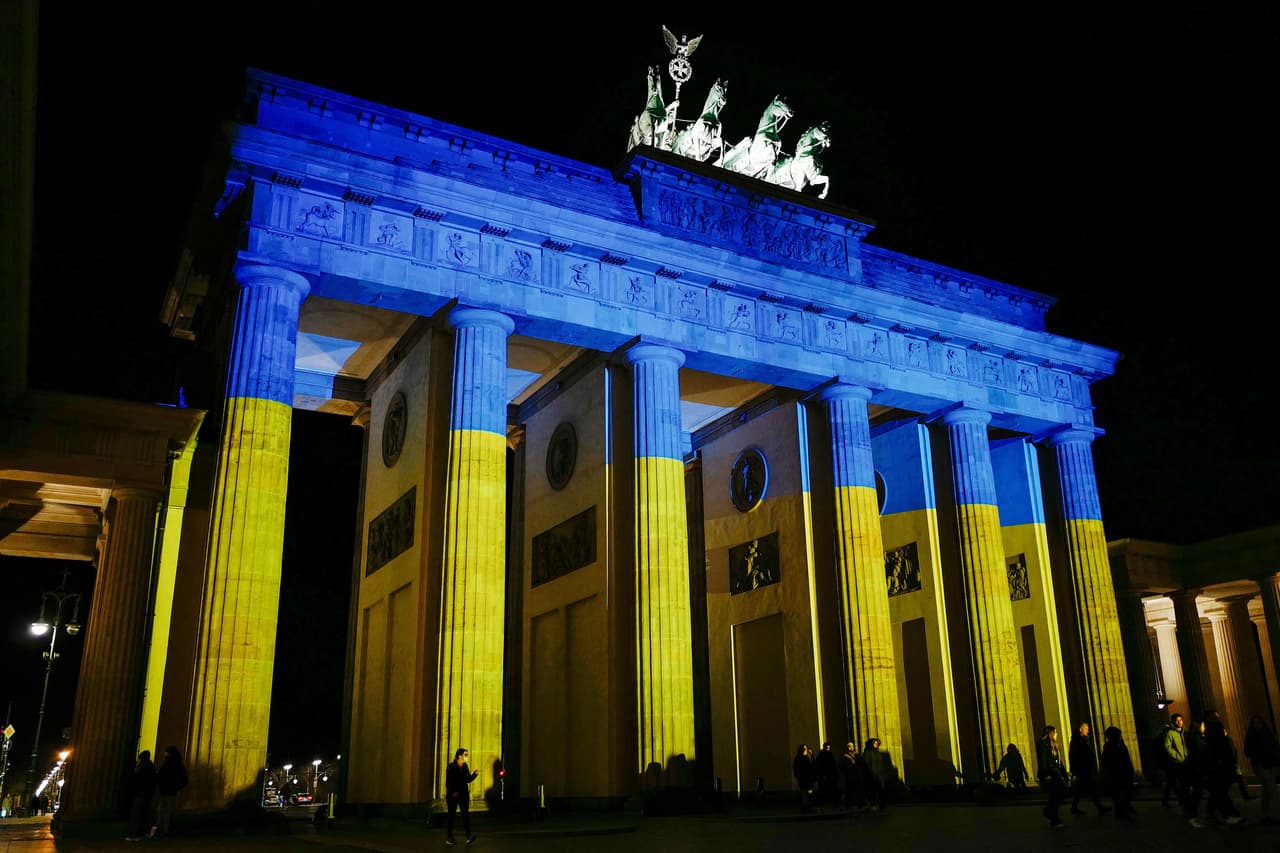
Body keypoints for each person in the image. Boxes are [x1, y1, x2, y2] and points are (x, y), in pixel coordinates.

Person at [1201, 718, 1244, 824]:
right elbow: (1226, 756)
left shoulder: (1211, 742)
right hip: (1219, 771)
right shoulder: (1219, 741)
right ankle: (1229, 815)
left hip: (1218, 772)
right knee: (1221, 794)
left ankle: (1225, 814)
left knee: (1219, 794)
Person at [1243, 713, 1280, 824]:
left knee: (1268, 789)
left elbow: (1274, 747)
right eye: (1255, 723)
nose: (1257, 724)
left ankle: (1265, 814)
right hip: (1261, 765)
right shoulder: (1252, 736)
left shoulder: (1267, 733)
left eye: (1259, 722)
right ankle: (1268, 813)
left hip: (1270, 764)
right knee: (1271, 788)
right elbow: (1249, 751)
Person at [1068, 722, 1110, 815]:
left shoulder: (1083, 740)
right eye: (1086, 728)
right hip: (1082, 769)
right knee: (1090, 788)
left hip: (1085, 768)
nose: (1088, 730)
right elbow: (1073, 756)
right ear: (1080, 730)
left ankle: (1075, 807)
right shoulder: (1076, 741)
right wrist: (1074, 769)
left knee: (1081, 789)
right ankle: (1098, 806)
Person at [149, 745, 188, 839]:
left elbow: (161, 776)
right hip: (171, 791)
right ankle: (164, 830)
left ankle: (161, 830)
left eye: (166, 752)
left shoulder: (167, 763)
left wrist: (158, 780)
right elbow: (183, 779)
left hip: (165, 790)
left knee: (162, 811)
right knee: (166, 811)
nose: (164, 753)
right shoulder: (178, 764)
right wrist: (177, 787)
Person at [1036, 725, 1069, 828]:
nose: (1057, 734)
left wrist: (1065, 774)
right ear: (1050, 733)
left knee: (1057, 796)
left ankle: (1048, 812)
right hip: (1051, 774)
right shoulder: (1043, 745)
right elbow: (1043, 761)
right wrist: (1046, 775)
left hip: (1057, 773)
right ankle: (1054, 818)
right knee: (1055, 796)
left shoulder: (1054, 745)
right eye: (1055, 732)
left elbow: (1059, 761)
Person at [1099, 726, 1136, 819]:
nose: (1120, 736)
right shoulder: (1110, 747)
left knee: (1125, 792)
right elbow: (1107, 762)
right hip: (1117, 773)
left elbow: (1127, 758)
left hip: (1124, 771)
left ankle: (1124, 809)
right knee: (1119, 794)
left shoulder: (1121, 745)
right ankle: (1120, 813)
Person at [444, 747, 478, 846]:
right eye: (465, 755)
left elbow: (467, 780)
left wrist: (474, 775)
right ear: (459, 756)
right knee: (451, 815)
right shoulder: (451, 766)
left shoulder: (465, 766)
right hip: (453, 795)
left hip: (463, 794)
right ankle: (450, 837)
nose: (467, 757)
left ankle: (468, 836)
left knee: (465, 814)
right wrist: (452, 791)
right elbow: (448, 781)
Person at [125, 750, 157, 841]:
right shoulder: (150, 767)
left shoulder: (142, 768)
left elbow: (138, 781)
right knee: (143, 813)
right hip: (145, 794)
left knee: (137, 815)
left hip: (140, 793)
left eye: (139, 759)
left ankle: (134, 834)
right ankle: (148, 828)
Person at [860, 737, 887, 812]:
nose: (877, 745)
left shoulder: (878, 753)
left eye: (877, 743)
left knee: (881, 791)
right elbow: (866, 765)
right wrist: (870, 774)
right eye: (875, 743)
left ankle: (881, 805)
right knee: (873, 791)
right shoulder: (868, 753)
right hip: (872, 776)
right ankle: (873, 804)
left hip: (879, 775)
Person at [839, 741, 865, 811]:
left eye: (852, 746)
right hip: (849, 776)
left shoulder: (857, 755)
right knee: (850, 791)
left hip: (857, 776)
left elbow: (862, 764)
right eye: (849, 746)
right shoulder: (845, 757)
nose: (851, 748)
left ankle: (860, 804)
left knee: (858, 791)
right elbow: (842, 767)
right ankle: (850, 805)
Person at [814, 741, 839, 809]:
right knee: (828, 789)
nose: (828, 749)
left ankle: (826, 803)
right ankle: (829, 803)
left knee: (825, 789)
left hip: (826, 775)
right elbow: (832, 765)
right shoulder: (826, 755)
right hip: (827, 775)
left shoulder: (822, 755)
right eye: (828, 748)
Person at [792, 744, 816, 812]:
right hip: (805, 778)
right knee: (806, 793)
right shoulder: (803, 758)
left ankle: (805, 807)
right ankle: (806, 807)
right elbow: (809, 767)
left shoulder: (800, 757)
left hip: (804, 778)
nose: (806, 750)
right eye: (804, 748)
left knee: (805, 793)